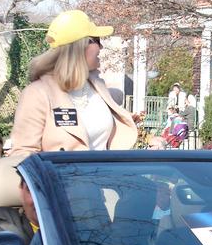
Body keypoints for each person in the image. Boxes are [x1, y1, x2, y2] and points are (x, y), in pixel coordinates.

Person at [9, 10, 137, 155]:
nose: (101, 47)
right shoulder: (37, 93)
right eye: (97, 40)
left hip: (105, 176)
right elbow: (23, 152)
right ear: (80, 46)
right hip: (62, 177)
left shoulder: (98, 87)